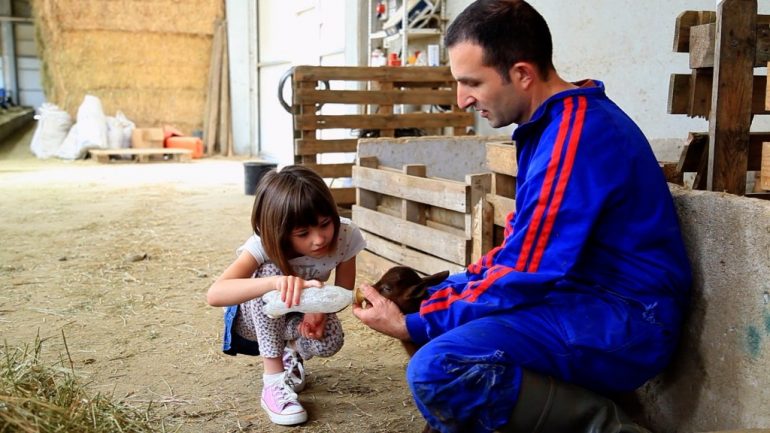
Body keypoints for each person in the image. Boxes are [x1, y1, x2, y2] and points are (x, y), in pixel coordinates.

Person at [352, 1, 692, 432]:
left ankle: (609, 426)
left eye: (472, 82)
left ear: (522, 74)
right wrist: (440, 296)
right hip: (582, 299)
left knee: (438, 366)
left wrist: (417, 321)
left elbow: (526, 270)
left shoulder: (575, 137)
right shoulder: (551, 127)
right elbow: (521, 248)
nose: (462, 100)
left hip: (625, 319)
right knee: (452, 334)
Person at [207, 165, 366, 426]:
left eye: (325, 224)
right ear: (280, 232)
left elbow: (342, 292)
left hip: (298, 316)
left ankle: (291, 353)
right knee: (267, 272)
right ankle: (272, 382)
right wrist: (275, 282)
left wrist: (319, 313)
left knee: (330, 341)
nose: (319, 239)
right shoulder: (263, 245)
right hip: (254, 321)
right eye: (303, 233)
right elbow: (215, 294)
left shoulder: (346, 236)